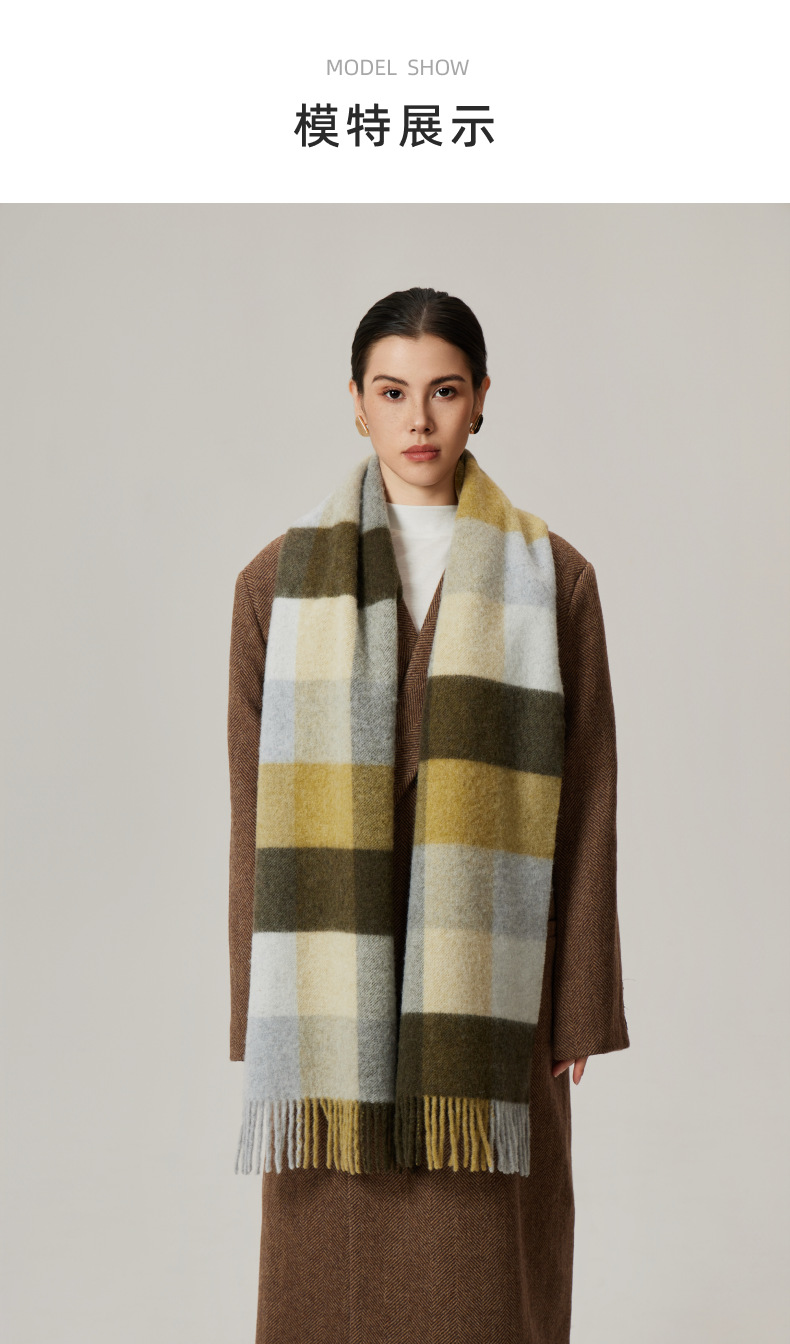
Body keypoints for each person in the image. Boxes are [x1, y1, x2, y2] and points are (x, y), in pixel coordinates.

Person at [227, 287, 630, 1344]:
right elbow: (251, 810)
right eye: (393, 391)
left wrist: (578, 1001)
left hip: (489, 987)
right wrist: (261, 1008)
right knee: (334, 1274)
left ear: (481, 397)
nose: (419, 420)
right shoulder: (276, 587)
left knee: (484, 1279)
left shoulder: (554, 582)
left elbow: (590, 796)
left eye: (444, 391)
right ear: (355, 402)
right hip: (332, 998)